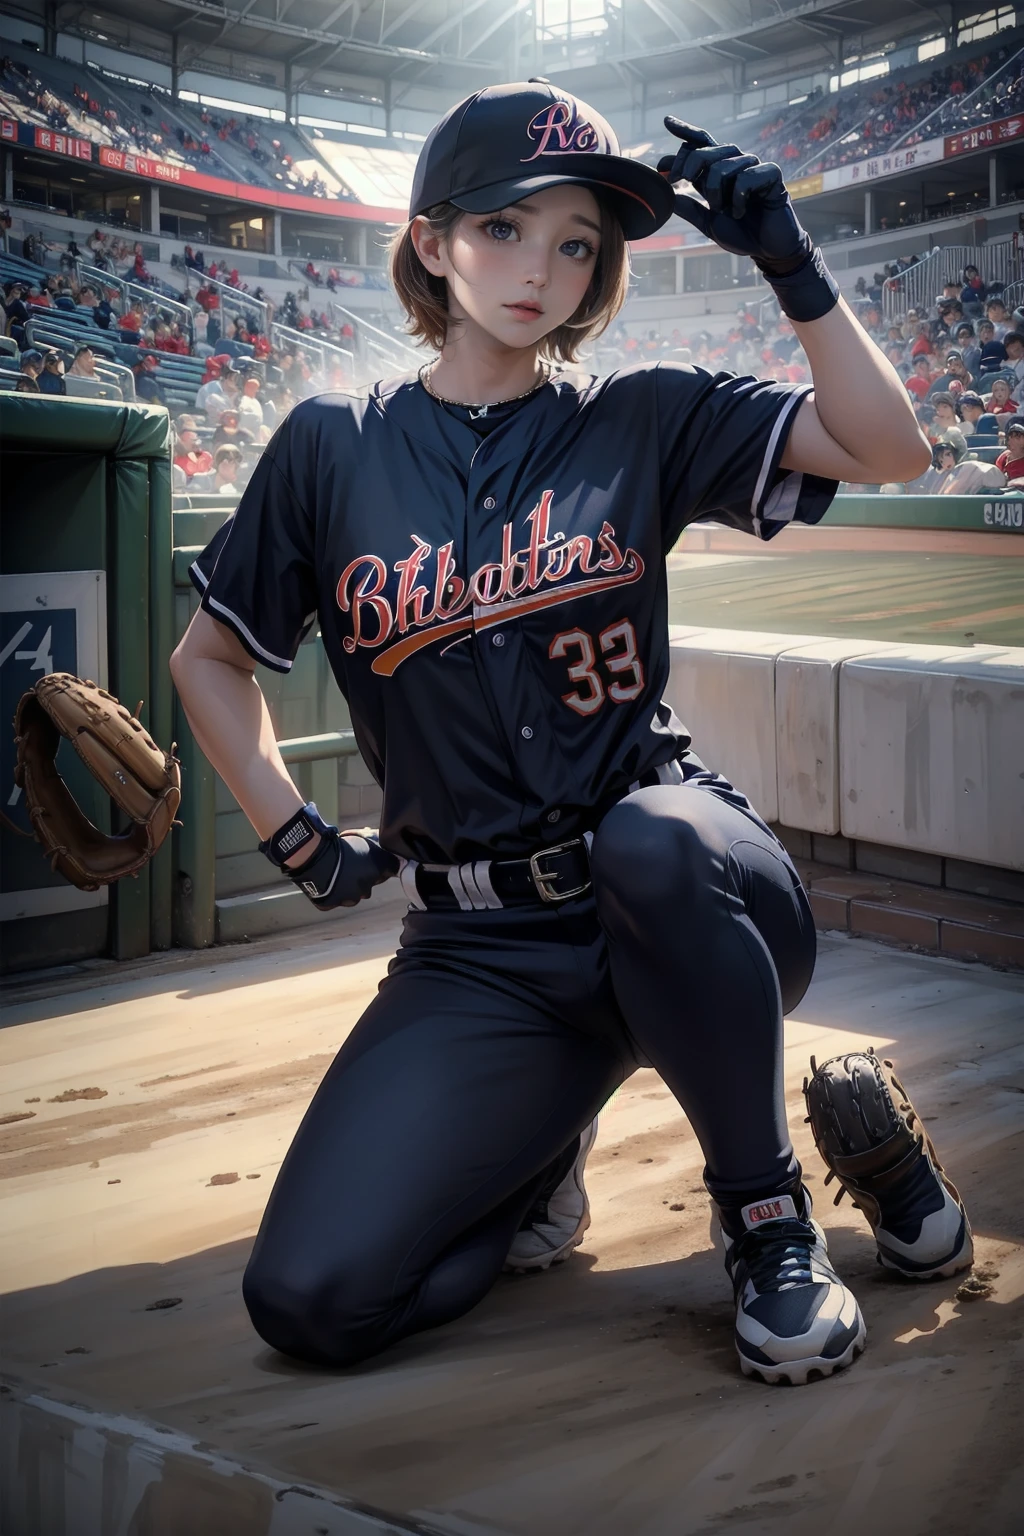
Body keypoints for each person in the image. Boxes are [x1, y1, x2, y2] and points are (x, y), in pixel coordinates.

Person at [170, 86, 941, 1391]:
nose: (542, 270)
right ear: (431, 243)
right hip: (485, 953)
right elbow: (210, 659)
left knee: (643, 840)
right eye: (508, 229)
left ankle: (767, 1218)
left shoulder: (636, 413)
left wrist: (790, 262)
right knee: (314, 1300)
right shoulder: (328, 449)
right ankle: (540, 1144)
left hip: (690, 890)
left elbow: (891, 448)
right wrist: (292, 831)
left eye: (577, 242)